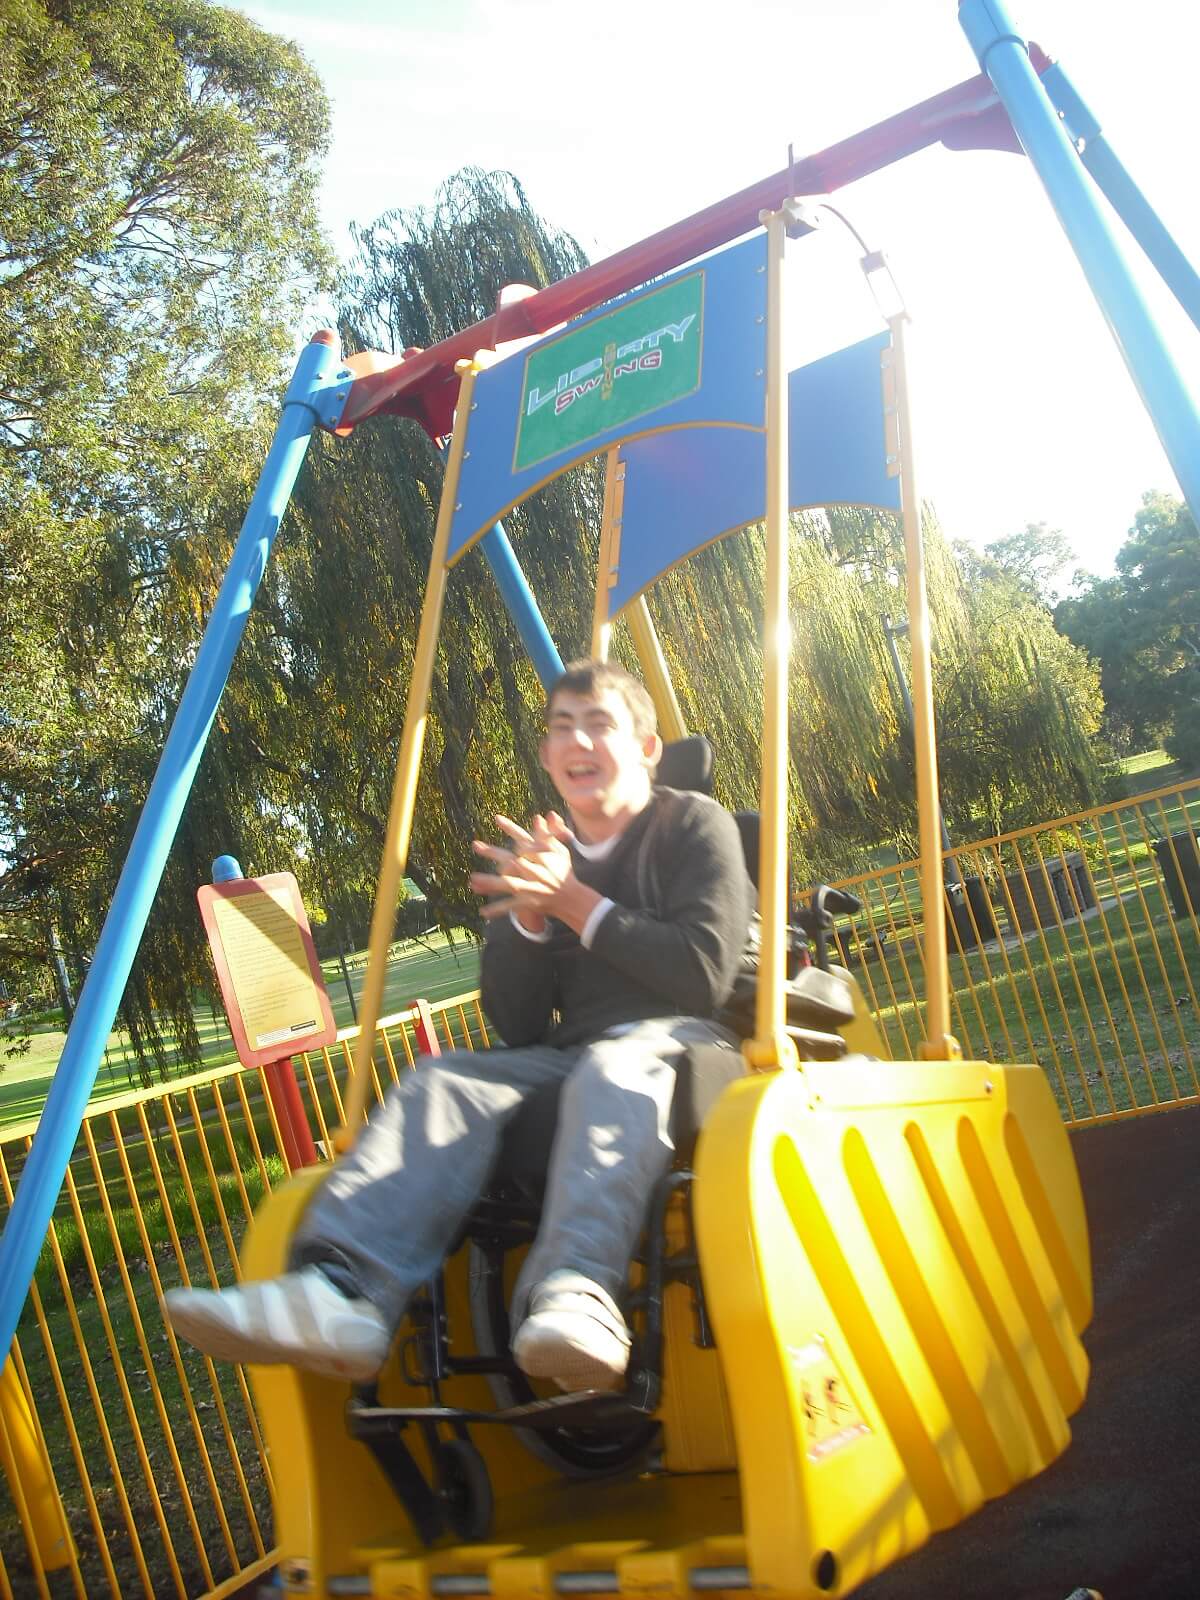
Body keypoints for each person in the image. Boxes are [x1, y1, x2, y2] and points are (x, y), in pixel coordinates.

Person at [165, 660, 750, 1392]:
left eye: (600, 723)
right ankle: (342, 1293)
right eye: (562, 727)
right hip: (580, 1057)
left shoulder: (695, 824)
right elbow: (517, 1023)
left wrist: (572, 904)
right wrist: (531, 923)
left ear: (646, 747)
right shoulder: (548, 860)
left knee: (617, 1064)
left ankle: (576, 1287)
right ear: (546, 756)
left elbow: (702, 973)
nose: (579, 740)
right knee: (444, 1079)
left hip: (692, 1044)